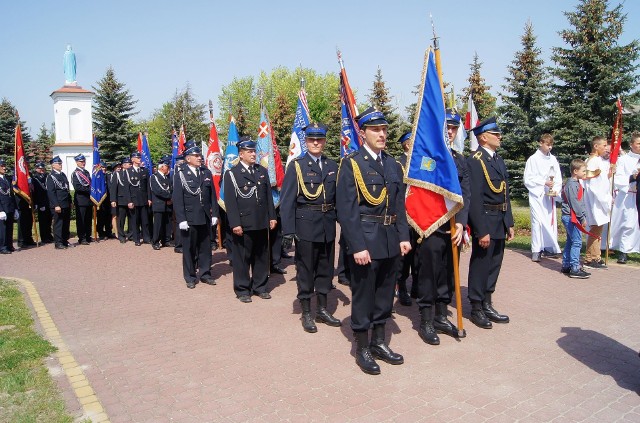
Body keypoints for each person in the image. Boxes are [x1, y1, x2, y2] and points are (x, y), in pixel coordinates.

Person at [336, 107, 411, 375]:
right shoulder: (352, 163)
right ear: (363, 133)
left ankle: (379, 342)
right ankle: (362, 347)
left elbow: (399, 205)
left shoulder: (392, 164)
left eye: (384, 129)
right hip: (366, 241)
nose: (381, 134)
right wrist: (357, 246)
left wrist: (403, 236)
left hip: (390, 240)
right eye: (375, 130)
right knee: (364, 295)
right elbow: (347, 210)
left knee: (384, 296)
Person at [413, 110, 471, 345]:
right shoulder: (428, 158)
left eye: (453, 128)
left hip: (453, 227)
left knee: (447, 273)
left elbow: (465, 194)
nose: (450, 131)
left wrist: (462, 224)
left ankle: (440, 315)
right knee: (429, 274)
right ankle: (426, 320)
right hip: (431, 226)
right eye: (446, 127)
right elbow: (421, 192)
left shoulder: (459, 159)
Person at [281, 123, 341, 333]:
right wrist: (288, 230)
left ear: (324, 141)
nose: (316, 143)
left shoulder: (333, 165)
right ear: (306, 141)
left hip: (327, 225)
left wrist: (349, 229)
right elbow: (287, 200)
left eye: (320, 139)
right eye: (312, 139)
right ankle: (307, 312)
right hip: (305, 225)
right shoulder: (296, 166)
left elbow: (339, 200)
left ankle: (322, 310)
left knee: (325, 269)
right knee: (306, 270)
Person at [466, 117, 514, 329]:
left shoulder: (498, 160)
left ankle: (487, 302)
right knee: (481, 264)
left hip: (499, 220)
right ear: (483, 137)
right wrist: (481, 230)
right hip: (485, 220)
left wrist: (509, 221)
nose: (500, 136)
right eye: (496, 134)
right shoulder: (475, 160)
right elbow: (474, 198)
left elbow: (505, 193)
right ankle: (476, 307)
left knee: (494, 264)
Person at [223, 137, 277, 303]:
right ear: (241, 154)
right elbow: (230, 202)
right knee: (242, 258)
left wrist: (272, 216)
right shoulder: (232, 174)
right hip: (243, 224)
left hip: (261, 221)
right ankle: (242, 290)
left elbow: (268, 196)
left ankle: (260, 287)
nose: (253, 154)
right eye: (249, 151)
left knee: (261, 256)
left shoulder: (261, 171)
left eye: (254, 151)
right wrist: (235, 223)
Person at [173, 142, 219, 289]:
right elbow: (178, 198)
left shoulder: (206, 173)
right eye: (196, 155)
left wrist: (215, 214)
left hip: (204, 216)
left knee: (205, 248)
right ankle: (190, 276)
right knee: (189, 249)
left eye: (200, 155)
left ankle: (205, 273)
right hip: (189, 218)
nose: (199, 158)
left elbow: (212, 195)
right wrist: (181, 219)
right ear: (188, 158)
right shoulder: (180, 174)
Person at [524, 134, 562, 262]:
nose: (550, 147)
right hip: (537, 195)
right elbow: (528, 178)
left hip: (549, 196)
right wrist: (543, 182)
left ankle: (549, 247)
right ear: (540, 143)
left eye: (551, 145)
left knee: (549, 221)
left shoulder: (553, 159)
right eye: (547, 144)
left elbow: (558, 177)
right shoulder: (533, 159)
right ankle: (536, 249)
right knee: (537, 221)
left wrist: (555, 189)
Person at [395, 131, 419, 306]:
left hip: (421, 218)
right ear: (407, 144)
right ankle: (401, 286)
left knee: (419, 255)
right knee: (404, 257)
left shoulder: (421, 162)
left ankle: (417, 285)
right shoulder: (399, 164)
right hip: (406, 215)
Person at [610, 131, 640, 263]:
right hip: (629, 196)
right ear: (631, 144)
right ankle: (624, 251)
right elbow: (618, 178)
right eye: (638, 143)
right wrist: (633, 177)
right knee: (628, 223)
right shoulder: (623, 160)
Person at [583, 136, 612, 269]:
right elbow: (595, 184)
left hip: (598, 198)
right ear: (596, 146)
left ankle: (596, 255)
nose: (606, 148)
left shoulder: (598, 161)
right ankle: (590, 258)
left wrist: (610, 174)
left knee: (598, 228)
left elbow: (602, 179)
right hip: (595, 199)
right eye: (604, 145)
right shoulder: (593, 161)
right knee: (595, 227)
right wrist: (605, 199)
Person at [560, 159, 591, 278]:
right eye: (583, 171)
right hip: (572, 217)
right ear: (575, 171)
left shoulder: (573, 183)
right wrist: (582, 218)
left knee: (570, 241)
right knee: (577, 242)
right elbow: (575, 203)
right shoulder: (572, 185)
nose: (585, 173)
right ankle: (575, 267)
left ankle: (566, 265)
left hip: (569, 216)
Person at [124, 152, 151, 246]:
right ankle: (137, 239)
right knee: (135, 221)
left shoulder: (144, 171)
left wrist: (149, 198)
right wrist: (129, 201)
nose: (139, 159)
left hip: (143, 199)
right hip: (134, 200)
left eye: (140, 157)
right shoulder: (127, 172)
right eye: (137, 157)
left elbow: (148, 186)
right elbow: (126, 188)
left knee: (145, 220)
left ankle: (146, 238)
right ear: (132, 159)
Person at [46, 156, 72, 249]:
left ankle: (65, 240)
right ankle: (58, 242)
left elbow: (66, 189)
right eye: (59, 163)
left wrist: (70, 201)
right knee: (58, 224)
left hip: (65, 203)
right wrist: (56, 205)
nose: (61, 165)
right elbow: (51, 192)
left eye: (61, 163)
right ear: (53, 165)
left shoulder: (63, 175)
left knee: (65, 223)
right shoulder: (51, 177)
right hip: (58, 204)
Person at [150, 156, 173, 250]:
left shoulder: (167, 177)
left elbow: (171, 189)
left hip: (167, 204)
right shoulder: (154, 177)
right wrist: (169, 197)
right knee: (158, 224)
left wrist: (170, 198)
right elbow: (158, 191)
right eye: (167, 166)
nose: (168, 168)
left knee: (167, 224)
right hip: (159, 204)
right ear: (162, 167)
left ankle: (166, 240)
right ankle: (155, 241)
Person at [71, 154, 92, 245]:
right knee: (81, 220)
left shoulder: (87, 172)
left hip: (89, 200)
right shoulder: (75, 173)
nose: (83, 163)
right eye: (81, 161)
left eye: (84, 161)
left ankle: (88, 236)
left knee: (88, 220)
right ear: (76, 162)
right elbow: (78, 187)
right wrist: (90, 190)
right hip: (81, 200)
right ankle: (82, 238)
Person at [32, 161, 54, 243]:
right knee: (43, 221)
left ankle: (49, 235)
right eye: (39, 168)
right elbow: (35, 193)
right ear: (36, 169)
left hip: (48, 201)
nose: (41, 170)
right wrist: (38, 203)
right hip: (41, 202)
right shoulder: (35, 179)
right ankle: (44, 237)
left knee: (49, 220)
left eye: (42, 168)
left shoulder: (47, 177)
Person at [0, 159, 18, 254]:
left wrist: (15, 208)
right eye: (2, 166)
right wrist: (0, 210)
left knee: (9, 228)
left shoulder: (7, 179)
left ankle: (9, 245)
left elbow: (11, 194)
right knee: (2, 229)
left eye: (4, 165)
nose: (4, 167)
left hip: (10, 207)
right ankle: (2, 247)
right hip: (2, 208)